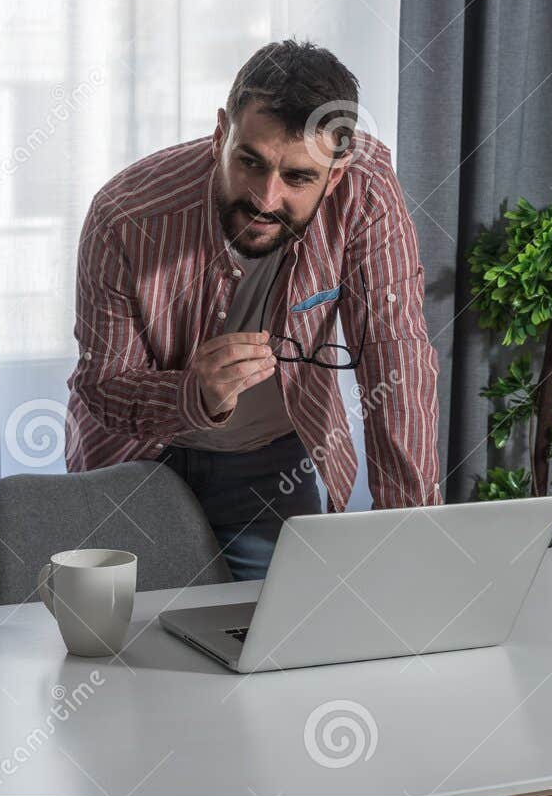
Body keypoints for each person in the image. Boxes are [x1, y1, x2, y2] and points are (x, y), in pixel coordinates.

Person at [65, 39, 441, 580]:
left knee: (285, 643)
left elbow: (397, 359)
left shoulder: (365, 192)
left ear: (333, 175)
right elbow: (103, 383)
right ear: (221, 133)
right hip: (135, 464)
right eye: (250, 162)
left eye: (298, 177)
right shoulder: (125, 213)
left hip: (269, 464)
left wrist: (410, 538)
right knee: (131, 652)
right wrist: (192, 395)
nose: (266, 198)